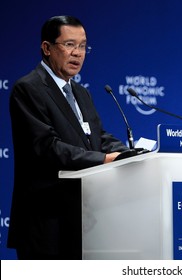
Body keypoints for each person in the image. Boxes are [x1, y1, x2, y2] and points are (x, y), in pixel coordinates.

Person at [7, 15, 131, 259]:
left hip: (83, 220)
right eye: (69, 44)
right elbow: (47, 148)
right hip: (45, 222)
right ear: (47, 48)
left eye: (83, 46)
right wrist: (105, 159)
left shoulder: (81, 92)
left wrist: (128, 153)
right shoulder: (28, 88)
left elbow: (96, 136)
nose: (78, 53)